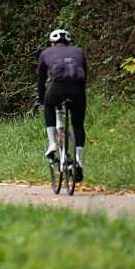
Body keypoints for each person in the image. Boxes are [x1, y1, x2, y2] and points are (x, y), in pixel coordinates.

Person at [35, 29, 87, 181]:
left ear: (53, 43)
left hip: (58, 87)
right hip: (78, 89)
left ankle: (52, 144)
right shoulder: (78, 51)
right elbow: (85, 74)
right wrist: (80, 94)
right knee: (78, 125)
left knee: (49, 105)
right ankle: (78, 161)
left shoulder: (46, 53)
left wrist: (42, 100)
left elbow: (41, 79)